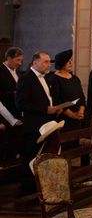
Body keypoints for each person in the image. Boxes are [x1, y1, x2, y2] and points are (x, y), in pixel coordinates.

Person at [15, 52, 62, 194]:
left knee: (44, 158)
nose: (49, 65)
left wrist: (54, 109)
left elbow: (47, 98)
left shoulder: (46, 78)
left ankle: (42, 189)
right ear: (35, 62)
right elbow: (20, 104)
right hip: (33, 126)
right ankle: (28, 191)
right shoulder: (25, 79)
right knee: (31, 158)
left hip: (47, 123)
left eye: (49, 62)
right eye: (45, 62)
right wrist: (45, 109)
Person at [50, 50, 86, 161]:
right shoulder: (54, 79)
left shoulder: (75, 78)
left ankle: (75, 172)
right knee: (65, 148)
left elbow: (82, 97)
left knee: (75, 147)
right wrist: (72, 115)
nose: (70, 63)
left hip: (77, 119)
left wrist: (81, 111)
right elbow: (57, 101)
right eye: (68, 61)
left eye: (71, 61)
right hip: (63, 120)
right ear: (61, 63)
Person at [0, 47, 23, 160]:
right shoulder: (1, 70)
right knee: (6, 150)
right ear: (9, 58)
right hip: (4, 117)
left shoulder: (17, 72)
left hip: (17, 115)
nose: (20, 63)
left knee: (15, 149)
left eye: (21, 60)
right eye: (17, 60)